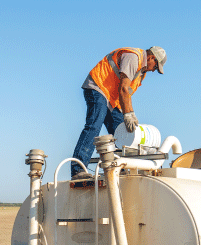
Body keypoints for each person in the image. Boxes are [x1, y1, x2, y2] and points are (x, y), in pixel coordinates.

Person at [71, 46, 167, 179]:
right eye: (155, 67)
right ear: (151, 58)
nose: (153, 70)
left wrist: (128, 115)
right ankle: (78, 170)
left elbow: (127, 95)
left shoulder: (141, 73)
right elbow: (123, 89)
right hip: (98, 86)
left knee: (121, 132)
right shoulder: (134, 58)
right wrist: (129, 114)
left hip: (111, 99)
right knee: (94, 125)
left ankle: (117, 168)